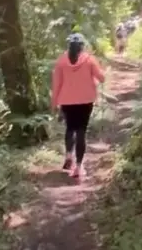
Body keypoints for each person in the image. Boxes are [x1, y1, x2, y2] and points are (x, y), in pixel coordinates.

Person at [51, 33, 106, 179]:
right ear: (82, 46)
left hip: (66, 101)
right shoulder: (89, 60)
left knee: (70, 128)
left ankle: (69, 155)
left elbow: (56, 84)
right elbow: (102, 78)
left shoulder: (61, 61)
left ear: (69, 45)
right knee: (81, 131)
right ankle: (79, 168)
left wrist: (54, 103)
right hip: (85, 100)